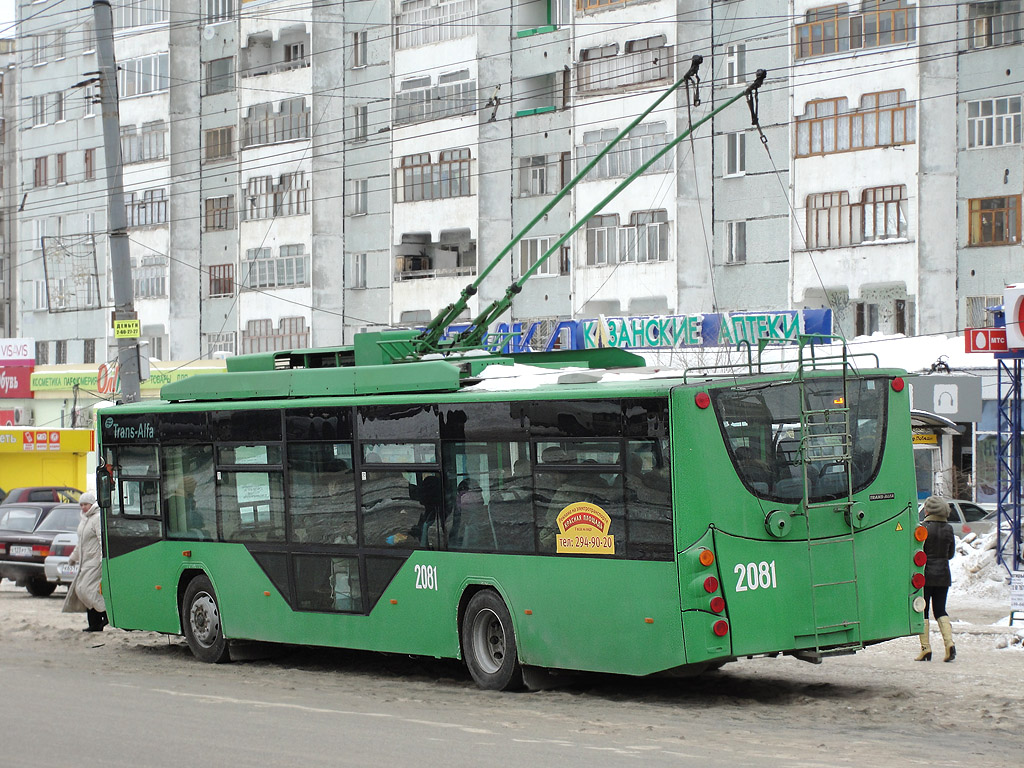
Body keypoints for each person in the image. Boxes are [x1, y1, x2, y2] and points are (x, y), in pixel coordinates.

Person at [916, 495, 956, 662]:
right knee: (940, 610)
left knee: (923, 611)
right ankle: (949, 644)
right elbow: (951, 554)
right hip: (943, 576)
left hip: (926, 576)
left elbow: (917, 552)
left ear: (929, 510)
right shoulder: (949, 529)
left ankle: (926, 649)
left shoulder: (923, 528)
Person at [62, 491, 108, 632]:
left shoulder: (97, 518)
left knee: (87, 590)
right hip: (85, 562)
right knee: (82, 590)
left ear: (92, 504)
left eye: (85, 504)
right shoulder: (85, 520)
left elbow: (102, 540)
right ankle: (94, 623)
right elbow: (80, 543)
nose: (83, 507)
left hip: (95, 561)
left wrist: (102, 559)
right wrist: (73, 557)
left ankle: (105, 615)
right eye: (81, 505)